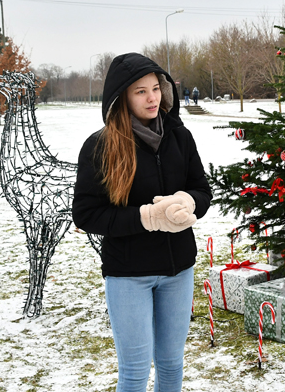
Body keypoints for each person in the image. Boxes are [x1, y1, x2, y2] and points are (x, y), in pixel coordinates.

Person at [73, 53, 211, 392]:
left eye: (156, 89)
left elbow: (202, 190)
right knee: (134, 372)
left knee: (171, 363)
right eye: (141, 91)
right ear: (122, 97)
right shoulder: (99, 146)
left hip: (178, 271)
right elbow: (86, 214)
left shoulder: (180, 137)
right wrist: (147, 217)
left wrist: (188, 202)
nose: (152, 98)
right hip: (128, 275)